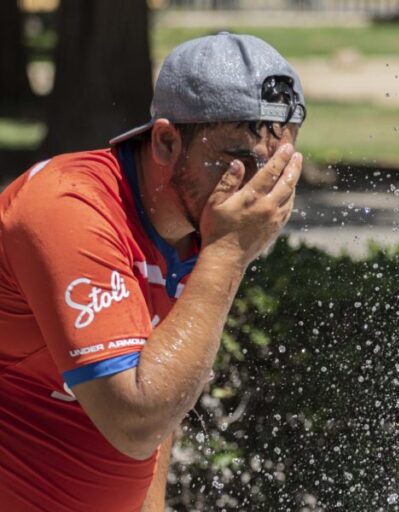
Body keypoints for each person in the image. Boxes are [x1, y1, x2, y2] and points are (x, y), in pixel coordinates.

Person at [0, 33, 306, 511]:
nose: (261, 191)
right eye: (242, 161)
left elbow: (163, 397)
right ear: (165, 140)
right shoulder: (69, 210)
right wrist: (227, 254)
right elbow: (136, 421)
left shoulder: (201, 224)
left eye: (279, 167)